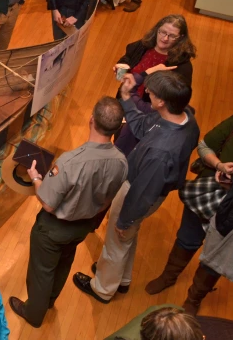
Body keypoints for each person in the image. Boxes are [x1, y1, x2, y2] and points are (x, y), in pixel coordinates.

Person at [73, 71, 200, 303]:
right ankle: (121, 278)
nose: (148, 92)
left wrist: (125, 219)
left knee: (117, 238)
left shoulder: (162, 152)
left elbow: (143, 192)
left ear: (161, 102)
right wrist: (126, 95)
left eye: (152, 91)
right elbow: (142, 128)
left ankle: (102, 288)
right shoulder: (185, 117)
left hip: (136, 192)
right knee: (125, 239)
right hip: (144, 189)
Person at [8, 97, 128, 327]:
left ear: (91, 120)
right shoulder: (122, 161)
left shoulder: (70, 162)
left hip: (53, 228)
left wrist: (35, 179)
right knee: (64, 261)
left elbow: (48, 203)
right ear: (118, 128)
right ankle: (50, 301)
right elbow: (108, 199)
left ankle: (34, 313)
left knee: (41, 270)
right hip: (83, 226)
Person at [145, 113, 233, 297]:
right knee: (187, 237)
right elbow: (204, 146)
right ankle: (168, 277)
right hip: (206, 193)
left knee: (215, 258)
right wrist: (220, 166)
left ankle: (194, 298)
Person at [113, 14, 196, 155]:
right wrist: (121, 66)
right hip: (125, 103)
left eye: (172, 36)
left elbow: (175, 98)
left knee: (130, 150)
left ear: (181, 38)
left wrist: (148, 73)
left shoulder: (181, 66)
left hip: (147, 114)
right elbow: (128, 57)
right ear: (157, 29)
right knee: (118, 140)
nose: (165, 38)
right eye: (162, 32)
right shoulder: (143, 46)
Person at [182, 175, 233, 315]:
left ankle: (194, 299)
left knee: (220, 262)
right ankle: (192, 299)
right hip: (227, 216)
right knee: (213, 259)